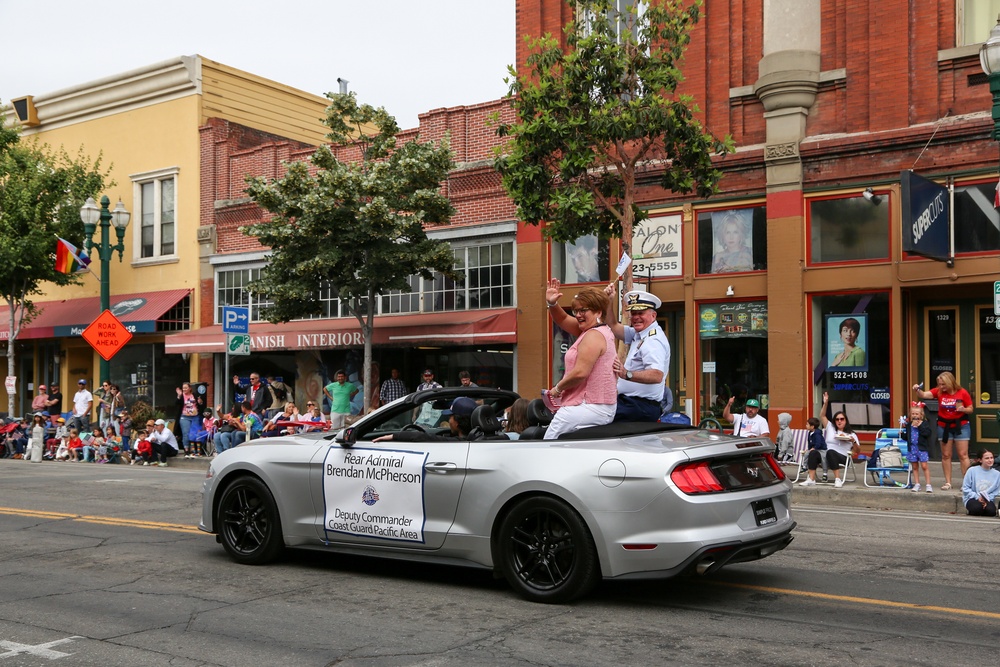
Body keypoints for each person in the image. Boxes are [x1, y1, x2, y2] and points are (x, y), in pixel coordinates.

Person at [548, 280, 668, 423]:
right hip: (630, 403)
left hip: (638, 406)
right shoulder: (639, 333)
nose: (635, 317)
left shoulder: (653, 340)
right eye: (633, 313)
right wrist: (610, 301)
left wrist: (626, 374)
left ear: (653, 316)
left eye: (640, 313)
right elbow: (613, 325)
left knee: (591, 423)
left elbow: (657, 375)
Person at [543, 285, 617, 439]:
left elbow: (580, 373)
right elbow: (562, 319)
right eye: (575, 311)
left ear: (598, 311)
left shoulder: (594, 335)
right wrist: (552, 303)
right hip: (594, 407)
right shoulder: (592, 331)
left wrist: (556, 389)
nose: (578, 315)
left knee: (548, 443)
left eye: (583, 310)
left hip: (589, 406)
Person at [913, 372, 973, 491]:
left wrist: (964, 409)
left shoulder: (962, 392)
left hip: (961, 425)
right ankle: (947, 482)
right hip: (943, 425)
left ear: (950, 382)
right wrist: (917, 389)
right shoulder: (939, 391)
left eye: (943, 384)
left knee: (963, 455)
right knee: (946, 455)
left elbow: (971, 409)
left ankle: (967, 483)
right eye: (939, 384)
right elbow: (924, 394)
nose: (941, 387)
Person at [805, 391, 859, 488]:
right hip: (825, 455)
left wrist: (853, 441)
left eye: (842, 419)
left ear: (846, 421)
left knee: (831, 452)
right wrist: (825, 403)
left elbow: (857, 451)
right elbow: (822, 416)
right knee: (813, 452)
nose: (839, 421)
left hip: (842, 457)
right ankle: (811, 479)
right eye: (837, 419)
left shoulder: (851, 434)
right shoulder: (830, 427)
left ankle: (837, 479)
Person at [375, 397, 477, 442]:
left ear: (457, 423)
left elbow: (420, 437)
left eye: (450, 417)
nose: (449, 420)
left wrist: (394, 436)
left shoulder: (453, 442)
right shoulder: (483, 438)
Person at [903, 402, 933, 493]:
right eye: (913, 414)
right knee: (915, 466)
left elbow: (927, 434)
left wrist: (919, 426)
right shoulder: (909, 425)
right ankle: (917, 484)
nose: (915, 415)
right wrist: (902, 435)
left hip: (921, 448)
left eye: (916, 414)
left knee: (924, 466)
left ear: (921, 415)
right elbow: (907, 437)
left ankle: (928, 484)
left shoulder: (924, 424)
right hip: (912, 448)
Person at [961, 450, 1000, 516]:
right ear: (980, 460)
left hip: (988, 499)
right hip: (972, 498)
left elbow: (997, 491)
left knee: (991, 512)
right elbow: (965, 488)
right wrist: (977, 497)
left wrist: (987, 499)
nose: (990, 460)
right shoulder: (972, 471)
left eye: (991, 458)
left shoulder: (997, 474)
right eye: (987, 458)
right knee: (977, 509)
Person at [176, 382, 204, 457]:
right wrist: (179, 396)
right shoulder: (182, 396)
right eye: (183, 388)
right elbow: (177, 404)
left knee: (195, 433)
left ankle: (195, 450)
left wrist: (200, 402)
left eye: (186, 388)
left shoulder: (194, 395)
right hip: (184, 416)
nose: (184, 389)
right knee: (186, 433)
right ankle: (186, 450)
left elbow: (200, 404)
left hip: (195, 416)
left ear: (190, 388)